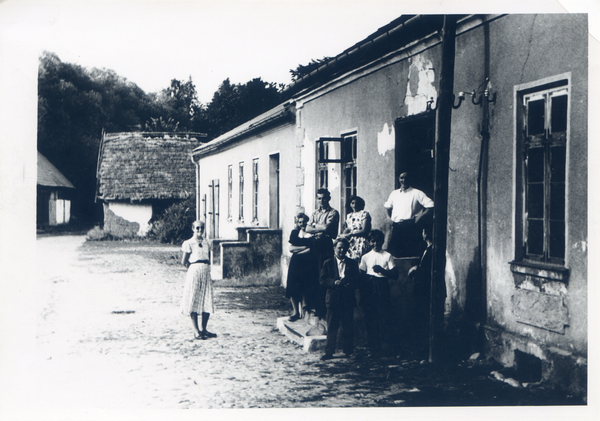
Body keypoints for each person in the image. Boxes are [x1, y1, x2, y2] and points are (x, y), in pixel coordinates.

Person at [359, 229, 398, 357]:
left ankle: (387, 346)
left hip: (382, 287)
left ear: (382, 241)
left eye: (378, 241)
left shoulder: (387, 256)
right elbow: (362, 276)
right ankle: (373, 348)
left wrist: (383, 271)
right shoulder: (365, 257)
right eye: (373, 241)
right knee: (371, 318)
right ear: (369, 242)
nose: (376, 244)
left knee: (385, 317)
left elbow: (395, 275)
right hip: (369, 288)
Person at [408, 225, 446, 357]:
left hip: (428, 292)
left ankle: (426, 352)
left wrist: (416, 270)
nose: (422, 233)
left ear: (426, 234)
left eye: (424, 231)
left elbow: (430, 271)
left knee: (426, 321)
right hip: (422, 291)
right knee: (422, 320)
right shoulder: (427, 249)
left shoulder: (433, 250)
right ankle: (423, 350)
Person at [319, 238, 360, 361]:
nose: (342, 250)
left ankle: (348, 350)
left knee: (348, 326)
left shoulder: (352, 263)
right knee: (332, 326)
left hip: (347, 299)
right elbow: (322, 280)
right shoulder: (328, 263)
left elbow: (357, 281)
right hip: (333, 299)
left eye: (344, 248)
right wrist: (333, 282)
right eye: (339, 248)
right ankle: (329, 351)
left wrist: (348, 283)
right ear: (334, 248)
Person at [306, 188, 339, 318]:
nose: (321, 201)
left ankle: (324, 309)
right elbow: (307, 228)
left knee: (324, 273)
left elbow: (327, 228)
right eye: (319, 198)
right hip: (314, 245)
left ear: (328, 199)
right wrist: (317, 227)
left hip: (325, 245)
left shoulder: (333, 212)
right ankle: (315, 306)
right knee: (314, 274)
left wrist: (315, 225)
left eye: (324, 198)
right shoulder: (315, 212)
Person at [180, 220, 217, 340]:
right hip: (194, 272)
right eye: (197, 228)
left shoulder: (207, 242)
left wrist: (205, 268)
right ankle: (196, 331)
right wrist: (193, 268)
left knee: (207, 299)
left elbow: (209, 258)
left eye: (202, 228)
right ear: (193, 229)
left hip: (205, 272)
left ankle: (204, 329)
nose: (200, 230)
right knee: (194, 299)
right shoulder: (189, 243)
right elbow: (184, 261)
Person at [384, 172, 434, 257]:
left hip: (410, 227)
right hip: (397, 227)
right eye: (401, 178)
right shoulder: (394, 193)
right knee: (395, 253)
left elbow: (431, 205)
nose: (403, 180)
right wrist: (388, 218)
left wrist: (420, 216)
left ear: (410, 179)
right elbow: (387, 207)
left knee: (410, 252)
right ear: (399, 179)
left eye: (406, 178)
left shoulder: (417, 193)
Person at [285, 213, 319, 322]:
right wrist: (305, 246)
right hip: (295, 262)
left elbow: (312, 247)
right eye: (299, 222)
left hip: (307, 262)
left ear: (307, 222)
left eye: (304, 222)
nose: (302, 224)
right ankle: (296, 312)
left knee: (305, 284)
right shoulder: (295, 233)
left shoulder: (311, 233)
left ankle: (305, 306)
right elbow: (291, 247)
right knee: (292, 285)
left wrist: (298, 248)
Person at [339, 195, 372, 261]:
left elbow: (364, 230)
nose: (354, 205)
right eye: (352, 203)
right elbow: (348, 229)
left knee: (360, 259)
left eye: (357, 203)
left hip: (361, 240)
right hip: (351, 241)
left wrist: (352, 234)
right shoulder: (349, 216)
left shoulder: (364, 214)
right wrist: (344, 234)